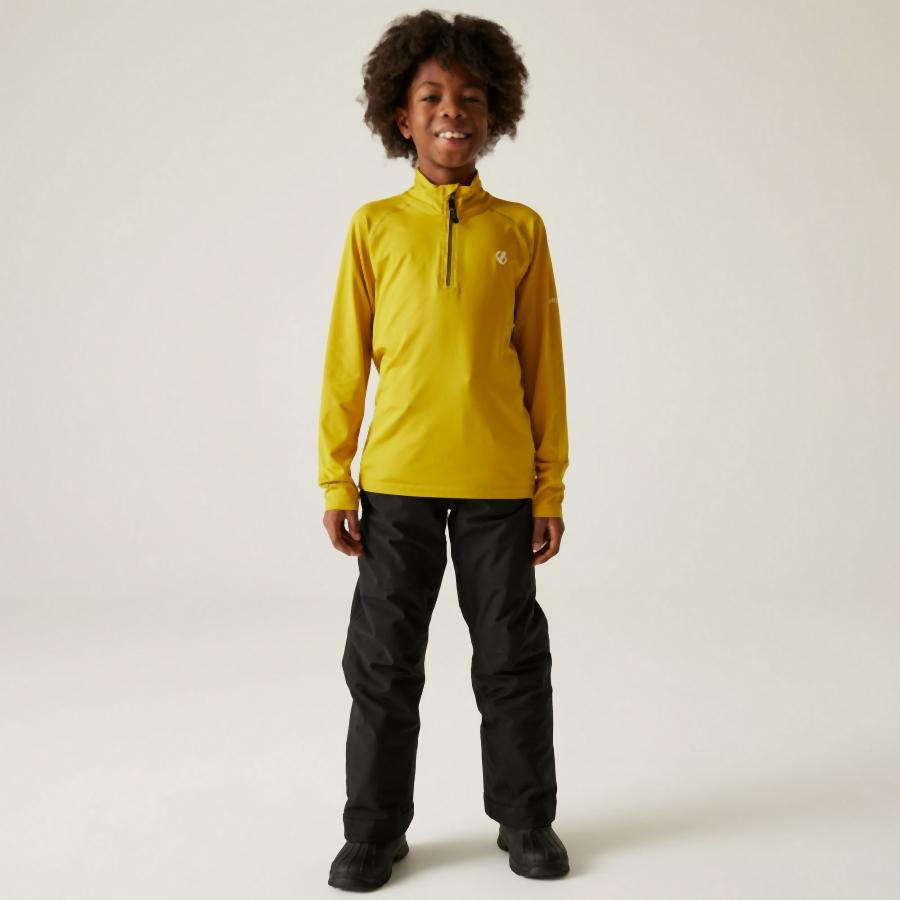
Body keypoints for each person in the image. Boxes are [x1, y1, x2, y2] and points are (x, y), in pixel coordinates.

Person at [318, 10, 570, 890]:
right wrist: (336, 479)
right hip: (396, 485)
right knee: (384, 666)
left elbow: (544, 366)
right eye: (431, 97)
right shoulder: (375, 227)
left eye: (469, 98)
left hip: (499, 485)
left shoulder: (520, 229)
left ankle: (526, 819)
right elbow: (345, 364)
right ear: (401, 115)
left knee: (511, 661)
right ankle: (373, 831)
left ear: (494, 113)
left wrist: (548, 488)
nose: (451, 112)